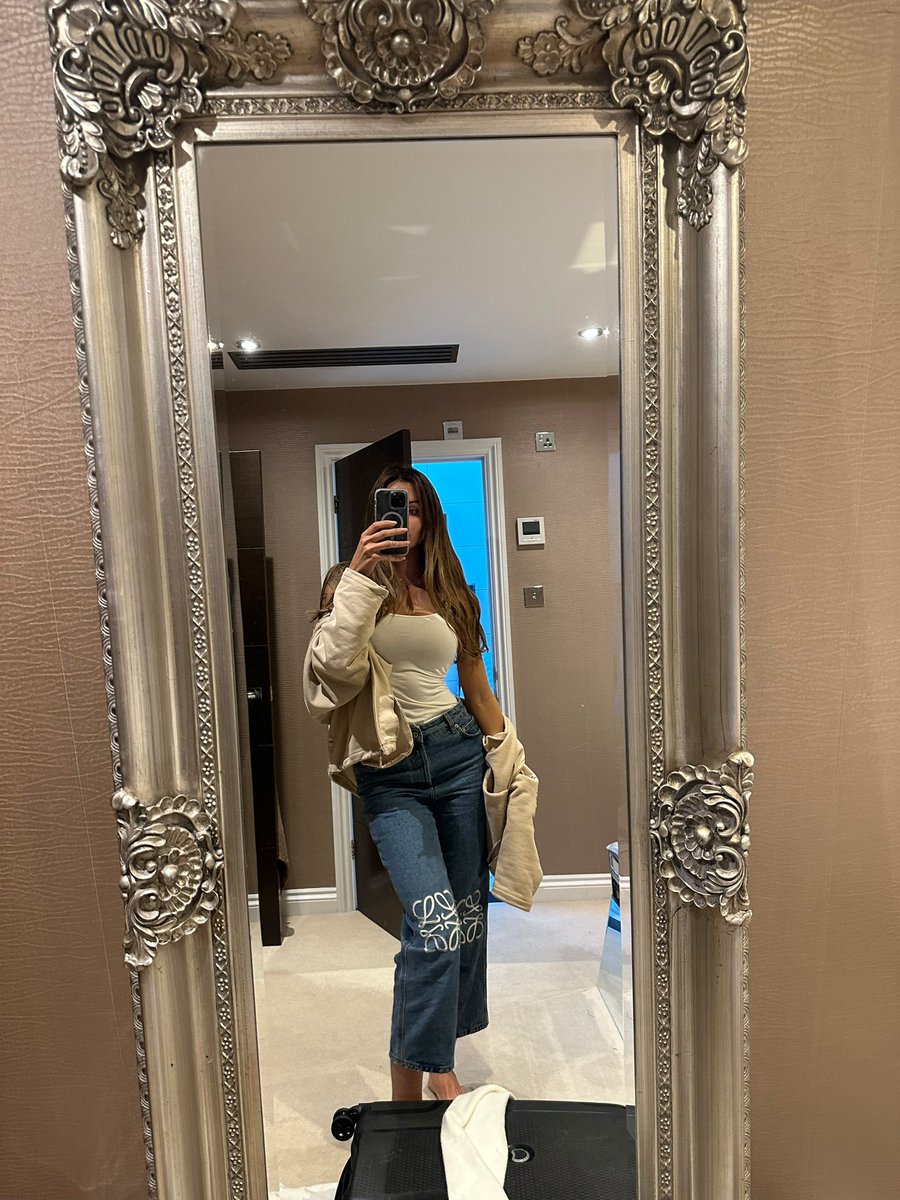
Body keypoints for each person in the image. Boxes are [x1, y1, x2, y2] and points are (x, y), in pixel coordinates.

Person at [305, 464, 506, 1102]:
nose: (404, 518)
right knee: (434, 922)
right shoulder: (349, 581)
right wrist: (361, 576)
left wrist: (509, 755)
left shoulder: (454, 591)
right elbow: (331, 673)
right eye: (394, 505)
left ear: (430, 519)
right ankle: (420, 1080)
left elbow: (475, 688)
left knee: (464, 919)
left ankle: (424, 1073)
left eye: (415, 507)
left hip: (458, 755)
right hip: (390, 771)